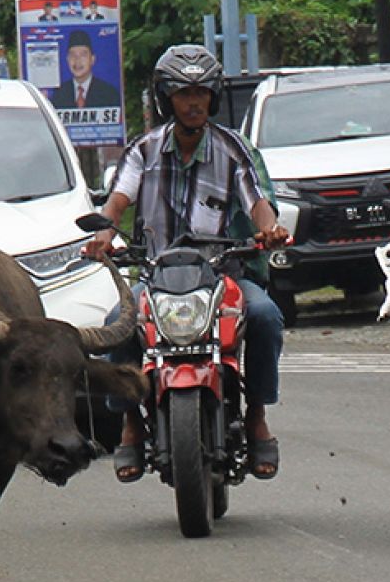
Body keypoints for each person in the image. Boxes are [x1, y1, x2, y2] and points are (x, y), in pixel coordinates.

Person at [84, 44, 290, 482]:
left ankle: (255, 414)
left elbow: (259, 202)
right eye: (183, 93)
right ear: (166, 99)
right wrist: (103, 235)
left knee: (265, 314)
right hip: (158, 275)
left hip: (222, 273)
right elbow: (118, 200)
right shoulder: (142, 150)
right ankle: (130, 422)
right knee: (118, 321)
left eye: (201, 93)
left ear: (213, 97)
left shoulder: (235, 149)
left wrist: (269, 230)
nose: (194, 102)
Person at [49, 31, 122, 110]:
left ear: (92, 59)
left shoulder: (109, 94)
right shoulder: (58, 95)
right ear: (67, 59)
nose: (77, 60)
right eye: (73, 55)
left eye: (83, 55)